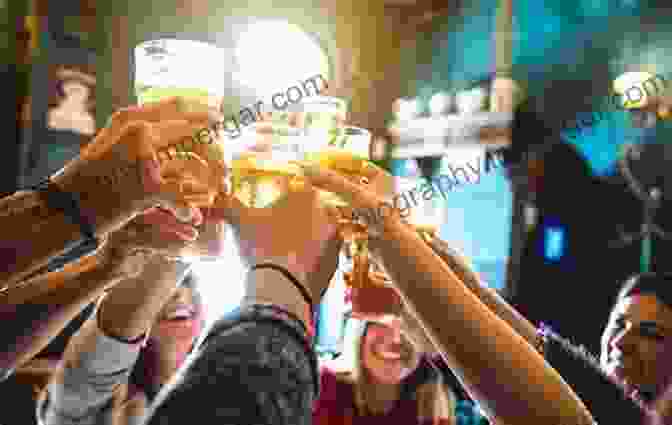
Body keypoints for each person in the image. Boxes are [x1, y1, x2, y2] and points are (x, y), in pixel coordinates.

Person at [314, 315, 456, 425]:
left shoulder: (433, 406)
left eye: (409, 325)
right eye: (380, 320)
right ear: (361, 336)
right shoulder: (325, 387)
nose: (395, 339)